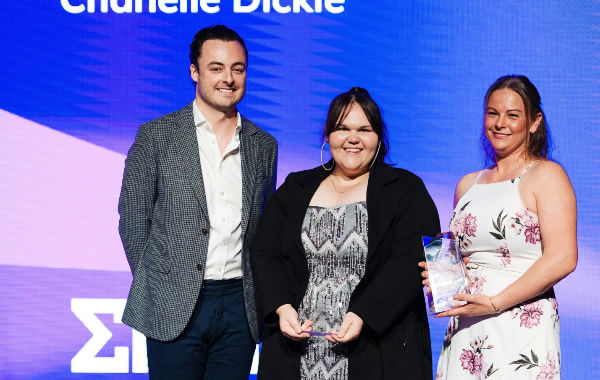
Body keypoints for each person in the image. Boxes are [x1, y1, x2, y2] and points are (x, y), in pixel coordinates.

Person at [118, 25, 278, 379]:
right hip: (175, 302)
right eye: (216, 68)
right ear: (195, 71)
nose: (228, 79)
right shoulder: (156, 135)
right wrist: (160, 284)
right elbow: (133, 219)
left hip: (240, 303)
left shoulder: (264, 145)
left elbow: (264, 227)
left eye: (237, 68)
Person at [251, 87, 440, 380]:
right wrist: (281, 306)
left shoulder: (406, 190)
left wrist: (364, 313)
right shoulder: (295, 188)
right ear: (328, 135)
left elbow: (408, 260)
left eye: (364, 129)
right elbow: (265, 251)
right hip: (299, 346)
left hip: (376, 346)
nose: (353, 138)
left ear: (378, 138)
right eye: (343, 128)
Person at [421, 75, 577, 379]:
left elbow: (563, 257)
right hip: (468, 325)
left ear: (534, 122)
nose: (500, 123)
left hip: (519, 323)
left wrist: (494, 303)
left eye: (513, 115)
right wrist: (443, 275)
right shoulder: (468, 184)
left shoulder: (547, 175)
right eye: (493, 113)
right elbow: (461, 256)